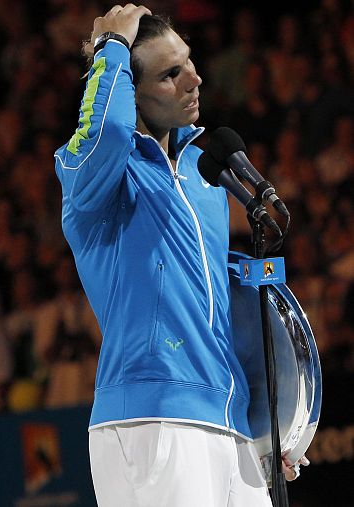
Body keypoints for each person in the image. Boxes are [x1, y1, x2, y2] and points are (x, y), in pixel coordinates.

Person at [53, 5, 304, 506]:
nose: (194, 79)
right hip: (154, 418)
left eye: (188, 62)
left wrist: (263, 425)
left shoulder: (205, 175)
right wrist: (111, 49)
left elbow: (221, 312)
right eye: (170, 74)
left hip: (227, 421)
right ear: (130, 90)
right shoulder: (95, 178)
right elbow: (108, 133)